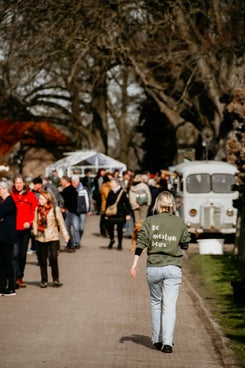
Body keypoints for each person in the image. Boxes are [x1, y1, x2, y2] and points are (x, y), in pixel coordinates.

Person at [130, 191, 191, 353]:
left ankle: (157, 339)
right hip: (173, 267)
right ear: (171, 204)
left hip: (154, 267)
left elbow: (141, 241)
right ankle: (168, 343)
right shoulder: (179, 222)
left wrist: (134, 264)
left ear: (158, 204)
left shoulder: (150, 221)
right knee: (169, 306)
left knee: (156, 302)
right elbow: (186, 243)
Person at [32, 191, 69, 288]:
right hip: (41, 237)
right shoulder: (37, 209)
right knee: (43, 260)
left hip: (53, 237)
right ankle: (44, 280)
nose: (39, 200)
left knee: (53, 257)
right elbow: (35, 222)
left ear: (47, 199)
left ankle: (56, 279)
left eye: (42, 199)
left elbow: (61, 223)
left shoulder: (55, 209)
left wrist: (65, 235)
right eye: (39, 199)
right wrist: (35, 232)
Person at [11, 175, 38, 288]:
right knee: (15, 254)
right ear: (14, 184)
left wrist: (30, 222)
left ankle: (20, 276)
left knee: (22, 255)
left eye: (20, 182)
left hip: (26, 230)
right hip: (13, 229)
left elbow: (35, 210)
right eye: (16, 182)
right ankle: (14, 278)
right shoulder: (11, 196)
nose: (18, 184)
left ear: (24, 184)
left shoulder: (30, 195)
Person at [0, 179, 18, 296]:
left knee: (7, 262)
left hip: (7, 237)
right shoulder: (3, 202)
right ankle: (2, 287)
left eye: (0, 189)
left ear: (6, 189)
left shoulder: (9, 202)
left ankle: (11, 287)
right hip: (2, 236)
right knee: (2, 263)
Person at [105, 178, 131, 250]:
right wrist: (106, 214)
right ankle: (112, 240)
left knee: (119, 230)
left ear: (117, 184)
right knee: (110, 229)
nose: (111, 184)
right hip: (111, 214)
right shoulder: (110, 192)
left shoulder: (122, 192)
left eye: (112, 183)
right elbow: (107, 204)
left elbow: (127, 204)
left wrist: (127, 214)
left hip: (120, 214)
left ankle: (120, 244)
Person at [71, 175, 92, 247]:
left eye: (74, 182)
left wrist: (89, 209)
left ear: (78, 182)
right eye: (72, 182)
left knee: (81, 227)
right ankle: (77, 242)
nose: (73, 184)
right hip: (73, 211)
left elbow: (87, 199)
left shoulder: (84, 189)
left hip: (83, 210)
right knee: (76, 227)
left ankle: (78, 238)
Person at [60, 175, 78, 252]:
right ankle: (68, 244)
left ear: (65, 181)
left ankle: (71, 245)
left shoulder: (70, 190)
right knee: (66, 228)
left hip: (70, 212)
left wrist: (65, 208)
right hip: (69, 211)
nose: (60, 182)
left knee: (67, 229)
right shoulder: (67, 190)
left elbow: (71, 202)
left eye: (61, 180)